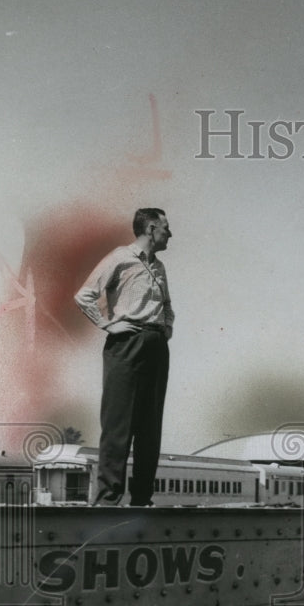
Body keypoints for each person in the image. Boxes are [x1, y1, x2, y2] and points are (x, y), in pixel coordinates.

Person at [74, 208, 174, 506]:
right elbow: (84, 295)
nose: (170, 234)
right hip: (126, 343)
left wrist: (166, 328)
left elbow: (168, 304)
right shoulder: (120, 257)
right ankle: (108, 499)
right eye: (166, 228)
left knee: (150, 425)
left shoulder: (160, 267)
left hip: (156, 345)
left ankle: (142, 498)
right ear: (151, 228)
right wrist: (107, 323)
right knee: (119, 422)